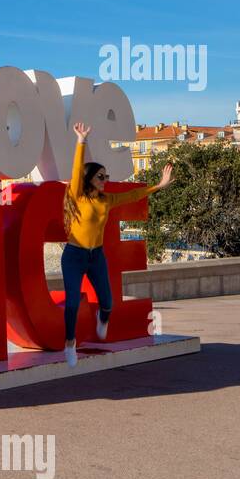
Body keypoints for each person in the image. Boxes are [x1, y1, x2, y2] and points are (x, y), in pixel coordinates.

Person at [61, 122, 174, 367]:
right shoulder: (76, 196)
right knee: (71, 302)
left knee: (108, 303)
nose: (105, 180)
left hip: (96, 256)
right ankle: (69, 343)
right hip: (74, 255)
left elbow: (133, 195)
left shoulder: (106, 200)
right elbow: (75, 168)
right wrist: (81, 141)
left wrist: (159, 186)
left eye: (107, 176)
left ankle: (102, 320)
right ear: (89, 178)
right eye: (101, 176)